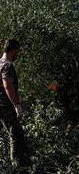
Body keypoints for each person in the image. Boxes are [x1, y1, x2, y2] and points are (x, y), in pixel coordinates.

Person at [0, 38, 30, 169]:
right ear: (13, 50)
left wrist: (18, 100)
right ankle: (16, 168)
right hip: (6, 107)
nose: (18, 54)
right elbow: (7, 86)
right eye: (18, 51)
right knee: (16, 136)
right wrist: (16, 104)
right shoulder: (7, 65)